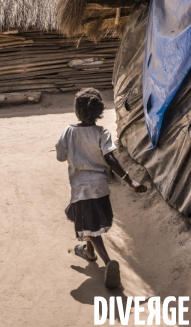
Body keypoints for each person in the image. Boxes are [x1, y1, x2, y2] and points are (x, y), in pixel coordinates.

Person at [55, 88, 147, 289]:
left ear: (77, 112)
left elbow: (60, 156)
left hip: (81, 189)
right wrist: (130, 181)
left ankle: (108, 262)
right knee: (92, 223)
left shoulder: (68, 132)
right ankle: (88, 252)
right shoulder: (102, 133)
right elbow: (110, 158)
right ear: (99, 113)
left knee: (91, 228)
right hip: (100, 189)